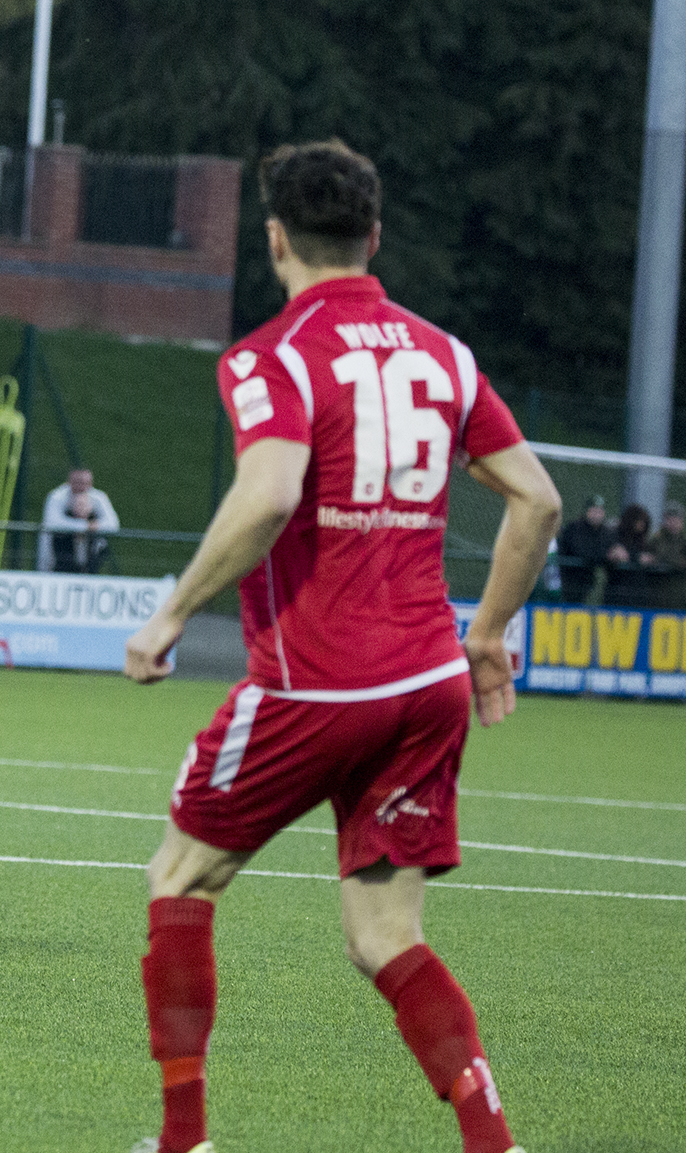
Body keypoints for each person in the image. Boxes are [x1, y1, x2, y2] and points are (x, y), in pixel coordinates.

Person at [122, 141, 557, 1153]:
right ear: (375, 237)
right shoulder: (445, 355)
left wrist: (173, 611)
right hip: (430, 680)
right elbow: (537, 497)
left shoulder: (271, 354)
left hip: (317, 682)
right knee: (384, 936)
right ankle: (494, 1144)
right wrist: (486, 630)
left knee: (180, 878)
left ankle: (183, 1142)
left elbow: (269, 494)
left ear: (274, 238)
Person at [38, 467, 120, 572]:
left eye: (86, 483)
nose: (82, 487)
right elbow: (52, 522)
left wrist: (90, 526)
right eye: (78, 482)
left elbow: (113, 524)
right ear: (69, 482)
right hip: (59, 550)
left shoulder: (98, 497)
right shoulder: (57, 496)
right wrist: (86, 526)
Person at [644, 500, 686, 611]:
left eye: (677, 519)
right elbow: (660, 558)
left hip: (683, 599)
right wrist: (683, 562)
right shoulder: (656, 540)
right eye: (669, 519)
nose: (673, 522)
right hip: (659, 599)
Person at [554, 496, 613, 604]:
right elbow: (582, 552)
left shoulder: (604, 531)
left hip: (588, 582)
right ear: (586, 512)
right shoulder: (574, 528)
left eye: (599, 511)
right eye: (593, 511)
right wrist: (605, 555)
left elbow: (609, 549)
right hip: (568, 581)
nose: (596, 515)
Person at [602, 503, 657, 608]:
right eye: (639, 521)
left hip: (638, 594)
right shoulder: (615, 536)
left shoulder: (645, 541)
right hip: (617, 592)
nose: (641, 525)